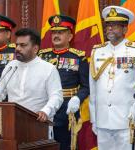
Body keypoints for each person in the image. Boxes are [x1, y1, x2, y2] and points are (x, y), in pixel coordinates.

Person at [89, 6, 135, 150]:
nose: (109, 29)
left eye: (114, 26)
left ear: (125, 29)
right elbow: (93, 86)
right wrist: (93, 119)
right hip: (102, 119)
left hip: (126, 119)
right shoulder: (97, 50)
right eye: (108, 25)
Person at [0, 28, 63, 123]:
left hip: (38, 124)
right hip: (12, 123)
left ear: (35, 49)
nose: (17, 48)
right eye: (17, 45)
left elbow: (56, 96)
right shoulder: (11, 66)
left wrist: (45, 111)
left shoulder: (48, 69)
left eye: (23, 45)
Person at [38, 15, 89, 150]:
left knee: (65, 145)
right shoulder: (42, 56)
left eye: (60, 32)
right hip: (44, 105)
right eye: (54, 32)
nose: (56, 35)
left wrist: (78, 98)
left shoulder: (78, 57)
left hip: (67, 108)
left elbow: (86, 86)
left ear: (70, 37)